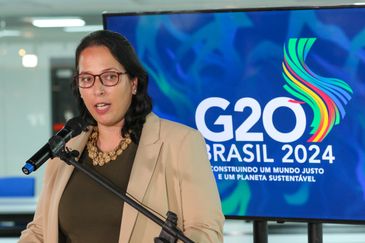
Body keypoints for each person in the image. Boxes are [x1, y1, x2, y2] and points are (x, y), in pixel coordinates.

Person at [19, 30, 224, 243]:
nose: (98, 90)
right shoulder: (65, 151)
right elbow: (40, 232)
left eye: (109, 77)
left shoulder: (181, 143)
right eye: (87, 79)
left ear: (134, 83)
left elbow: (205, 230)